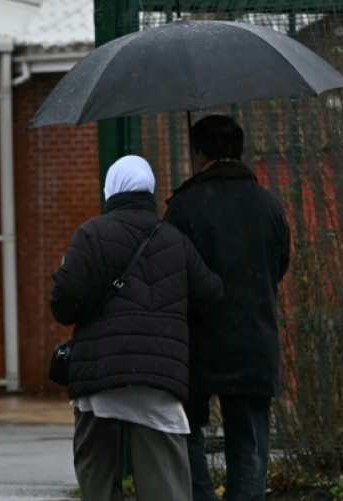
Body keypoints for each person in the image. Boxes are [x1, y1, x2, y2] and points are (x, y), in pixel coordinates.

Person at [50, 155, 224, 501]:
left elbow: (62, 306)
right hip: (159, 373)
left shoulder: (90, 234)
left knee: (97, 469)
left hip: (100, 373)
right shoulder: (175, 240)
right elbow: (212, 295)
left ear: (111, 189)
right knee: (165, 477)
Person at [164, 115, 291, 501]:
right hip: (255, 336)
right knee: (249, 443)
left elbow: (170, 277)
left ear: (199, 155)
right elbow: (279, 265)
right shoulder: (269, 205)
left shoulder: (183, 208)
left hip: (196, 342)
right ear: (240, 152)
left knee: (185, 432)